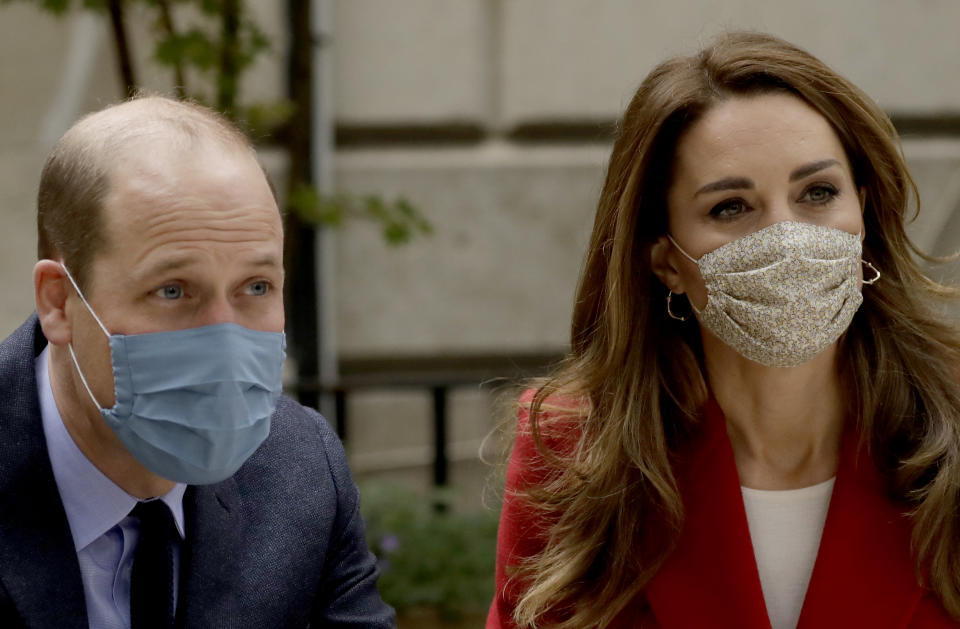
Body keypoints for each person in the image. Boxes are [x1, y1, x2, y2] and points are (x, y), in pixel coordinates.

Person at [487, 31, 960, 629]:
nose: (787, 236)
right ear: (665, 261)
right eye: (731, 207)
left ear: (863, 212)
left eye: (818, 192)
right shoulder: (575, 452)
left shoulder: (951, 424)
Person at [0, 96, 395, 628]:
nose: (224, 336)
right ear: (58, 301)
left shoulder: (299, 470)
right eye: (172, 290)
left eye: (256, 287)